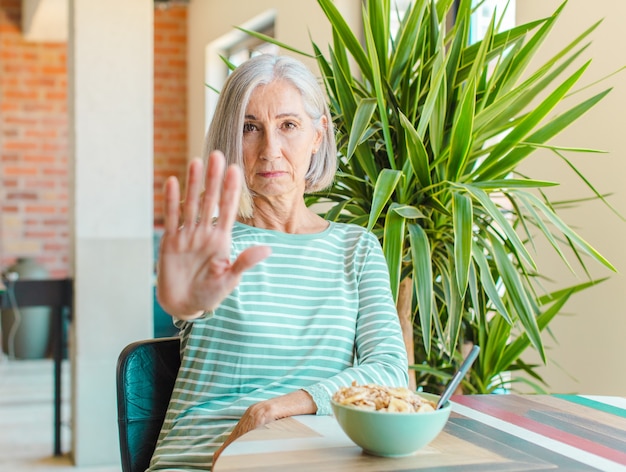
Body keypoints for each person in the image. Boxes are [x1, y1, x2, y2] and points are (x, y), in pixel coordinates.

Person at [149, 54, 409, 471]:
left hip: (310, 460)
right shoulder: (210, 242)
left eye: (288, 125)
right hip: (202, 459)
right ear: (232, 140)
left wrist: (280, 408)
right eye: (250, 128)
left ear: (318, 135)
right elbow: (190, 304)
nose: (270, 149)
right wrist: (185, 304)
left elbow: (391, 371)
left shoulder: (356, 249)